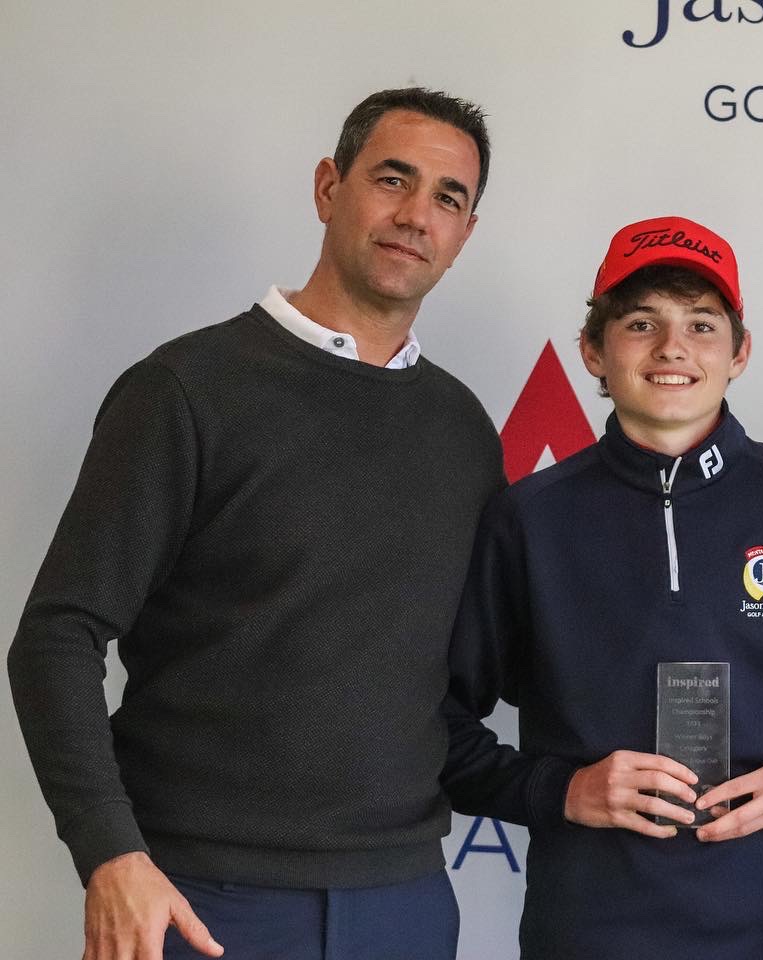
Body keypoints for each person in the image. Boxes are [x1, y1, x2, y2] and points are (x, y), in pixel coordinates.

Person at [8, 88, 505, 960]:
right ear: (328, 187)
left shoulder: (463, 429)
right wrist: (110, 855)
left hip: (404, 899)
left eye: (447, 197)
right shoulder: (186, 391)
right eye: (393, 179)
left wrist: (748, 484)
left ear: (464, 233)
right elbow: (57, 635)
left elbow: (473, 670)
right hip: (199, 900)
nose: (416, 214)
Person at [442, 215, 763, 959]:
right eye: (642, 323)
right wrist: (562, 792)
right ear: (594, 353)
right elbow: (441, 729)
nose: (673, 348)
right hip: (586, 935)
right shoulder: (526, 519)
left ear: (740, 353)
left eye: (702, 324)